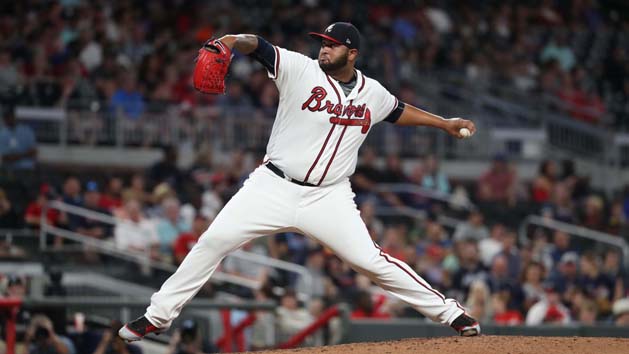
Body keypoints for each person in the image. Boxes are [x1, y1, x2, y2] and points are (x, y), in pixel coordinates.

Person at [119, 22, 480, 341]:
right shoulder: (299, 68)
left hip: (329, 197)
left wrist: (444, 123)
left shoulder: (373, 92)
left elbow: (398, 111)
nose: (323, 48)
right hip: (273, 186)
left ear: (351, 53)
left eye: (331, 44)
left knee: (370, 261)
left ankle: (451, 313)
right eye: (322, 43)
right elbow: (256, 45)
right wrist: (230, 40)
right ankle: (156, 317)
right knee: (213, 241)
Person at [0, 101, 37, 169]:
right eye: (6, 117)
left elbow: (33, 152)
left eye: (10, 116)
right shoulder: (2, 134)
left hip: (26, 168)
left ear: (14, 116)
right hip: (9, 169)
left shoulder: (27, 130)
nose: (8, 119)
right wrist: (25, 155)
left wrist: (15, 157)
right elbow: (4, 158)